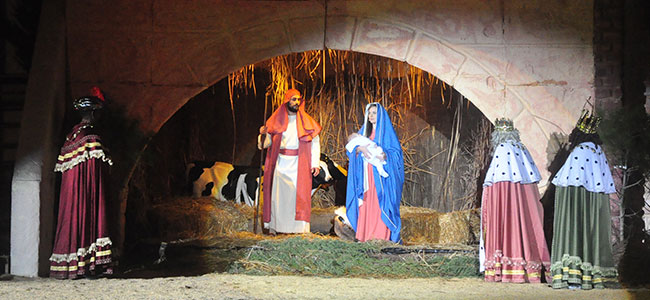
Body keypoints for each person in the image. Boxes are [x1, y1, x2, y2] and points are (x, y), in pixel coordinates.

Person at [49, 87, 113, 279]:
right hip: (85, 194)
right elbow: (94, 176)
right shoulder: (90, 137)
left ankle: (72, 265)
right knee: (86, 217)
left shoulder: (72, 135)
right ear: (93, 113)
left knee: (73, 218)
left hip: (72, 196)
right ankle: (87, 264)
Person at [550, 109, 617, 289]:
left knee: (575, 230)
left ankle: (573, 276)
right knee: (592, 231)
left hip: (575, 205)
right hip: (594, 205)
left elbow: (566, 185)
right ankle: (592, 276)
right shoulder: (599, 153)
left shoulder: (579, 152)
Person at [480, 118, 551, 283]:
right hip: (523, 196)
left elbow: (496, 183)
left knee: (505, 223)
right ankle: (528, 269)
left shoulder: (502, 149)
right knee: (525, 224)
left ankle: (507, 269)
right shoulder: (522, 149)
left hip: (504, 194)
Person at [258, 89, 321, 234]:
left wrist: (315, 163)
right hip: (281, 164)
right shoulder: (276, 120)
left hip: (299, 164)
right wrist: (263, 134)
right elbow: (265, 144)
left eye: (298, 100)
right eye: (293, 99)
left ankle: (299, 230)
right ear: (287, 101)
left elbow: (315, 142)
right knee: (279, 198)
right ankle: (277, 228)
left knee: (298, 198)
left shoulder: (307, 121)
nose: (296, 102)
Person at [345, 103, 404, 243]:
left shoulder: (388, 134)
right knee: (366, 202)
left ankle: (380, 236)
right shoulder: (364, 132)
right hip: (366, 176)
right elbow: (351, 150)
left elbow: (396, 155)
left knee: (379, 203)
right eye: (369, 113)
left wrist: (385, 155)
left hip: (380, 179)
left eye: (374, 113)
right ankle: (366, 236)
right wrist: (360, 149)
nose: (371, 116)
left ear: (381, 115)